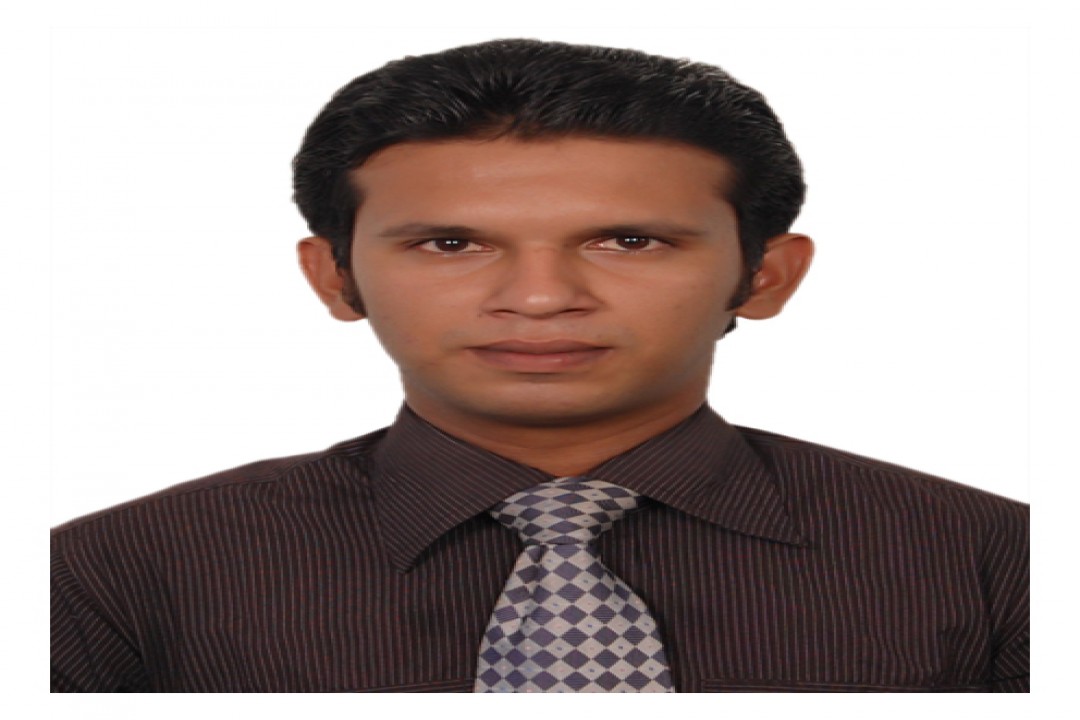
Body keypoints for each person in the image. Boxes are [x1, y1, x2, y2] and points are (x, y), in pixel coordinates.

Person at [50, 38, 1028, 693]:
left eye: (630, 241)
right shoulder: (110, 576)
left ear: (764, 274)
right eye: (450, 244)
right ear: (336, 277)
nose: (541, 297)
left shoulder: (1000, 564)